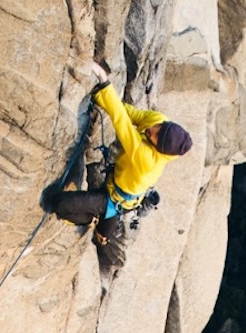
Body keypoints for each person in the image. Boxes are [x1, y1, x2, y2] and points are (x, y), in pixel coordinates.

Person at [50, 62, 193, 253]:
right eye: (159, 128)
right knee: (103, 228)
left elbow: (122, 123)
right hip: (115, 182)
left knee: (62, 205)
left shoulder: (148, 161)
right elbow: (131, 114)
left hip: (115, 200)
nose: (152, 129)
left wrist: (103, 81)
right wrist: (101, 97)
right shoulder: (159, 121)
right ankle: (103, 224)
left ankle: (92, 220)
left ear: (161, 150)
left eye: (155, 136)